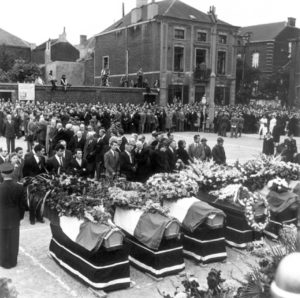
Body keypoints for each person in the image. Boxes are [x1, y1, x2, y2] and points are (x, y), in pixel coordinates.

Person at [0, 163, 26, 269]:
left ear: (1, 174)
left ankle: (3, 261)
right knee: (14, 240)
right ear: (13, 172)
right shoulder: (19, 187)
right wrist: (20, 217)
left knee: (2, 240)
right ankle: (12, 261)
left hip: (1, 217)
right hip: (14, 217)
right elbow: (22, 205)